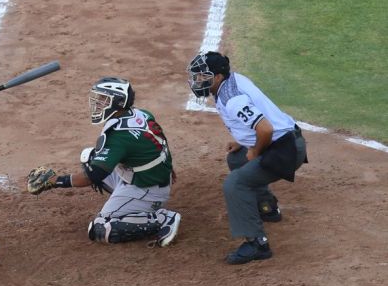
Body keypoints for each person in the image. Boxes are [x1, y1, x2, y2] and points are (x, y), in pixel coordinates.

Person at [26, 77, 181, 246]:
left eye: (104, 100)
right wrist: (166, 166)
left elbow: (93, 176)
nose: (98, 104)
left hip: (147, 189)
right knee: (90, 158)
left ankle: (162, 218)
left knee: (101, 228)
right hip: (148, 176)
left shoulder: (119, 138)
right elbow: (159, 140)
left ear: (119, 102)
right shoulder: (140, 113)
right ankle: (126, 201)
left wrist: (55, 181)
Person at [186, 51, 307, 264]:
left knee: (235, 184)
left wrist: (255, 151)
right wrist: (243, 144)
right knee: (236, 159)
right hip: (285, 139)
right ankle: (267, 208)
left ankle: (256, 244)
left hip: (285, 150)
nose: (197, 81)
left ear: (217, 77)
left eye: (202, 76)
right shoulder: (232, 80)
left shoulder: (232, 99)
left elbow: (266, 129)